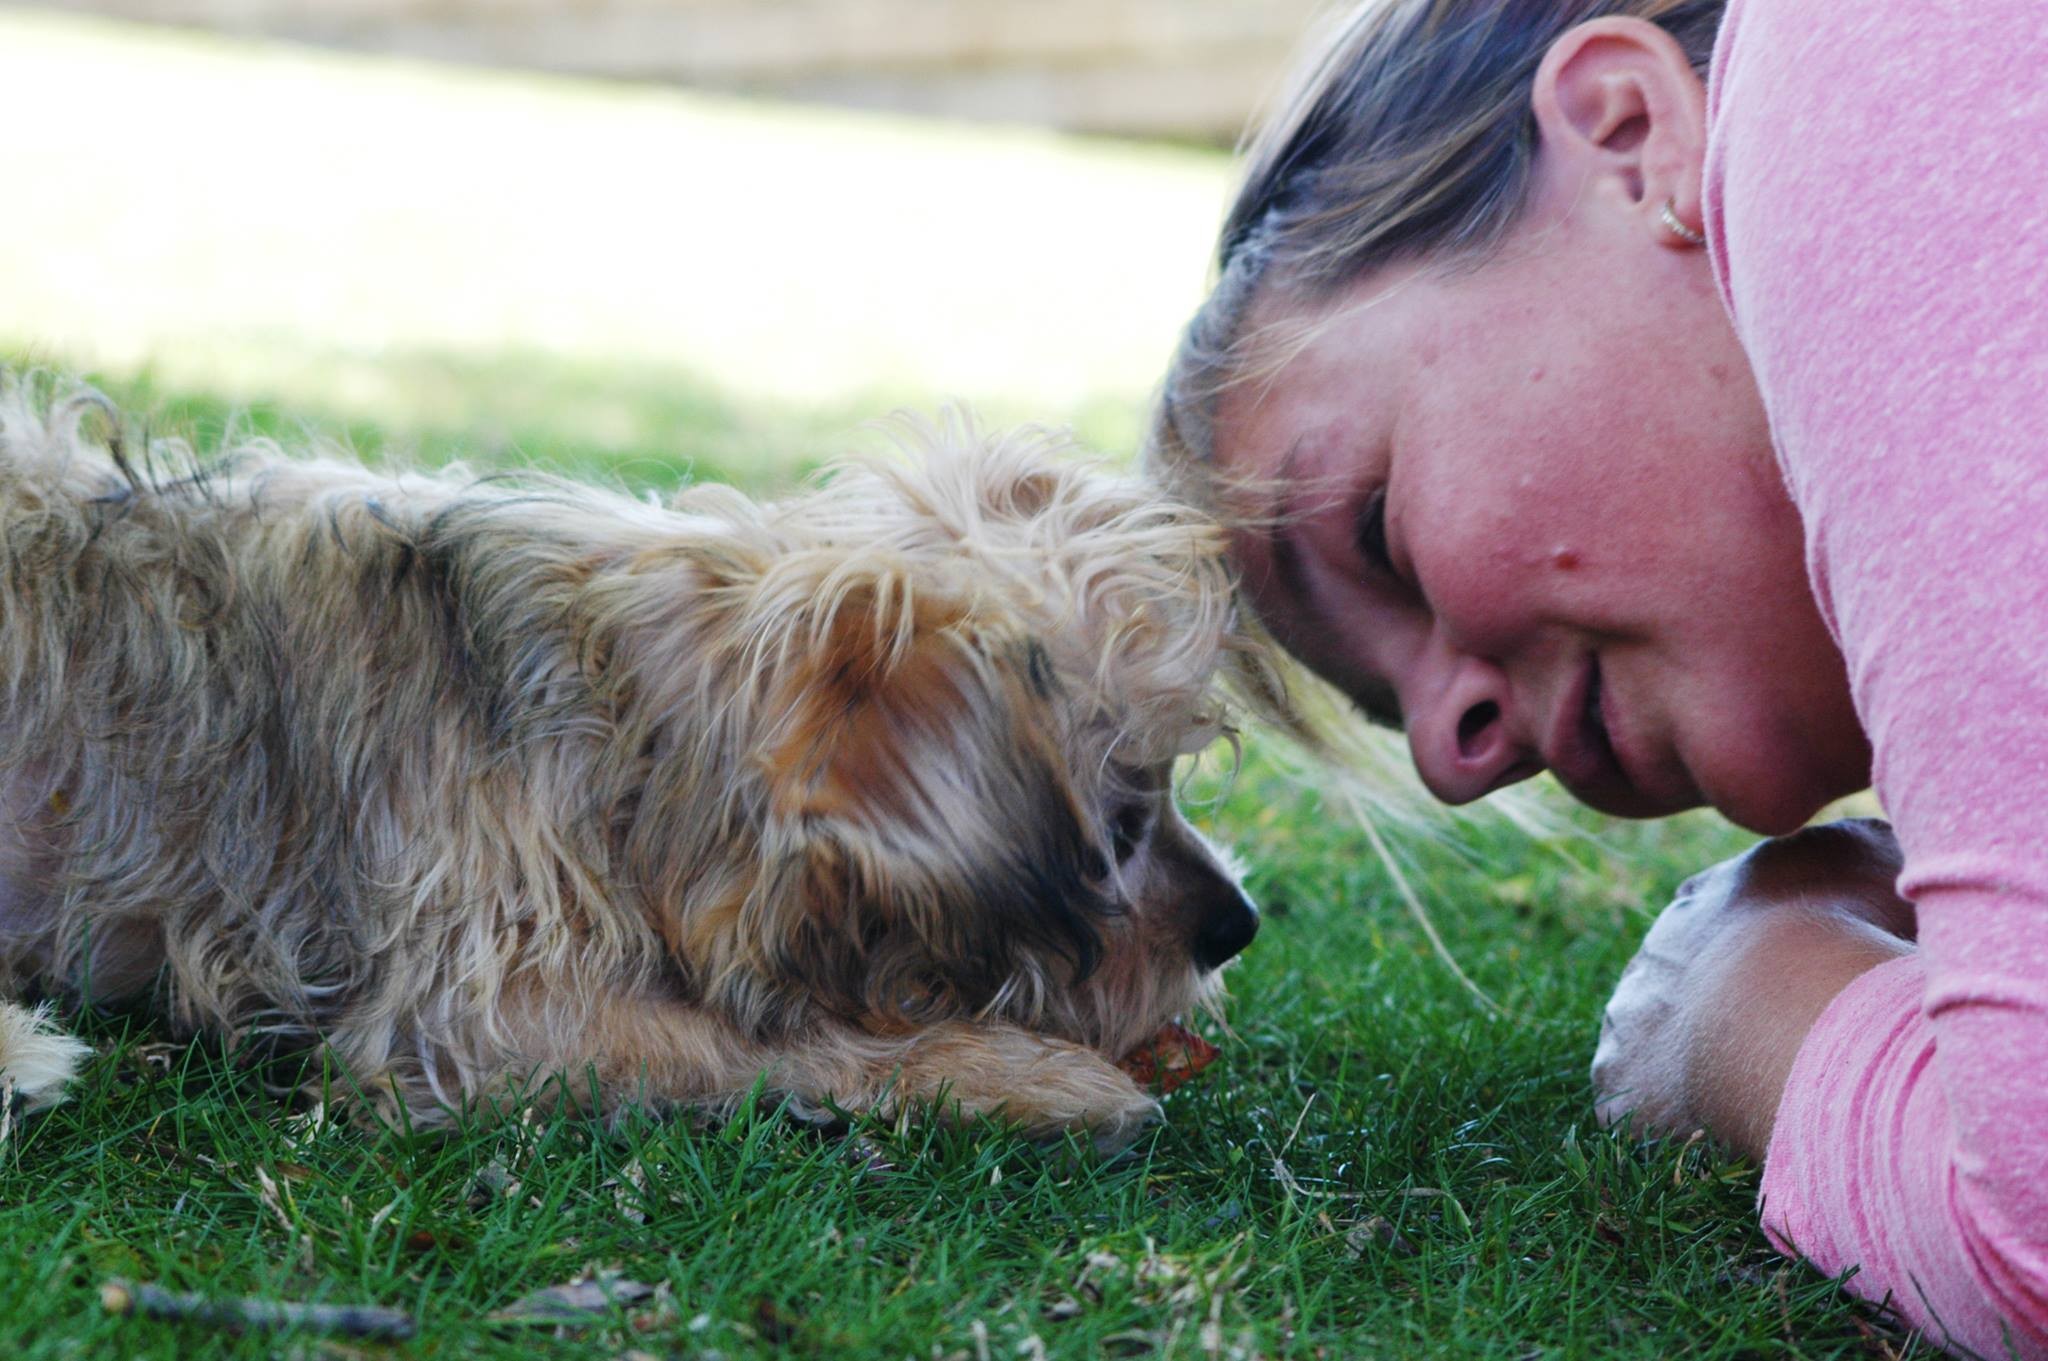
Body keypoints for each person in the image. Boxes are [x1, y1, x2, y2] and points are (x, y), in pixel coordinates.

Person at [1147, 0, 2048, 1354]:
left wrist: (1742, 987)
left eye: (1378, 532)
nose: (1452, 755)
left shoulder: (1858, 69)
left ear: (1628, 137)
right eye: (1395, 707)